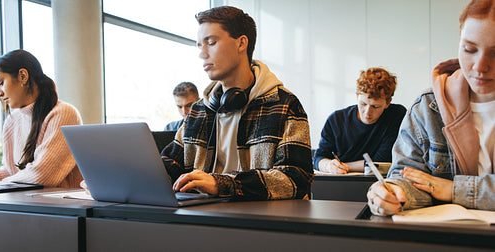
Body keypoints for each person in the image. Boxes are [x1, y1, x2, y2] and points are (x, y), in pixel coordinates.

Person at [162, 6, 313, 200]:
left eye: (211, 42)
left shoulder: (285, 104)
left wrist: (221, 183)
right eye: (200, 46)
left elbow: (295, 179)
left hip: (261, 223)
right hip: (201, 221)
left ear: (241, 43)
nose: (202, 53)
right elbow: (167, 166)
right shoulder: (198, 111)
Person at [367, 0, 495, 216]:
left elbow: (437, 186)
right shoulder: (429, 106)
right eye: (469, 49)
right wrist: (393, 192)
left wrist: (452, 189)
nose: (480, 66)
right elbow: (409, 175)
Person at [0, 50, 83, 187]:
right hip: (27, 203)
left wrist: (3, 184)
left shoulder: (63, 113)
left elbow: (42, 175)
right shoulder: (12, 121)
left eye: (1, 82)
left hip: (61, 206)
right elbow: (11, 171)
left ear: (23, 76)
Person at [313, 67, 406, 174]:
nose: (367, 112)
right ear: (357, 96)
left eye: (375, 106)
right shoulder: (336, 120)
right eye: (363, 104)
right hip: (339, 180)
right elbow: (319, 158)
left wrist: (345, 166)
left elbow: (380, 162)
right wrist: (328, 165)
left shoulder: (396, 115)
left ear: (388, 103)